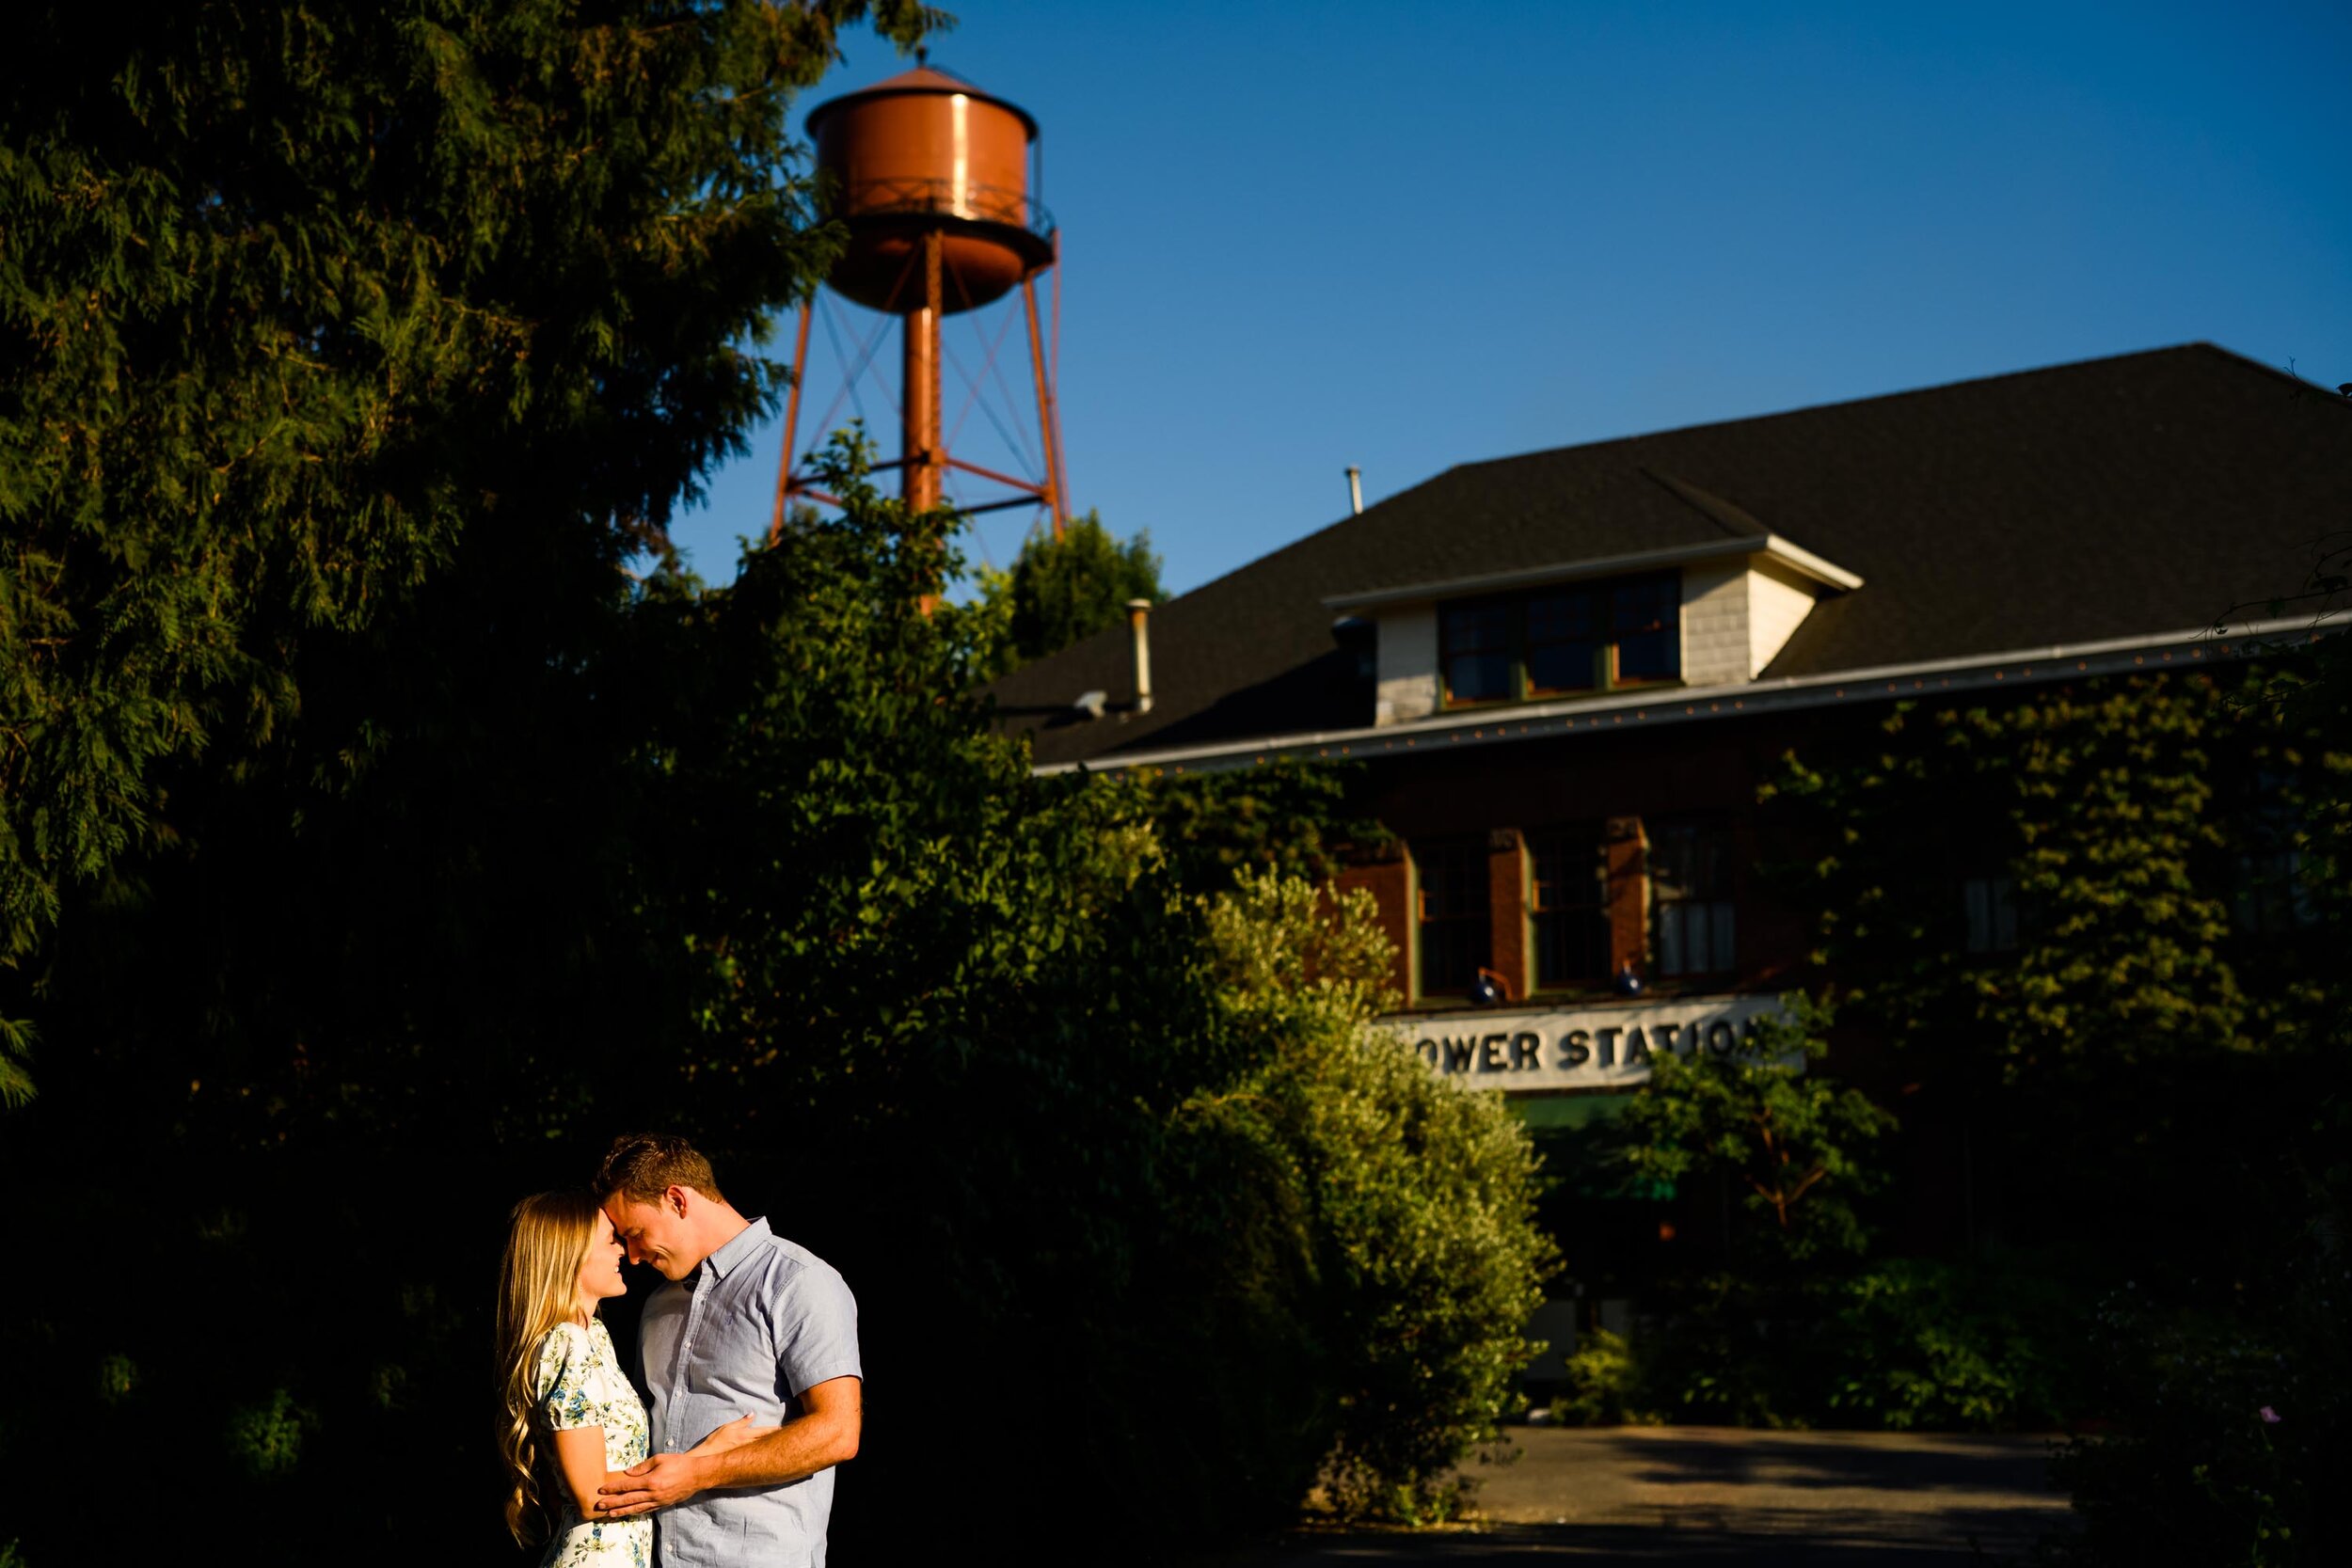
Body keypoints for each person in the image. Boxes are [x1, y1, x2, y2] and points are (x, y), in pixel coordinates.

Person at [591, 1133, 863, 1568]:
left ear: (677, 1200)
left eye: (636, 1234)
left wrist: (697, 1474)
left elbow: (838, 1432)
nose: (634, 1256)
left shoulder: (797, 1282)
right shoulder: (658, 1307)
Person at [495, 1191, 761, 1566]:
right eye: (610, 1240)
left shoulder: (594, 1337)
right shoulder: (565, 1342)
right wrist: (707, 1456)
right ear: (571, 1256)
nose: (624, 1251)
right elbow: (592, 1496)